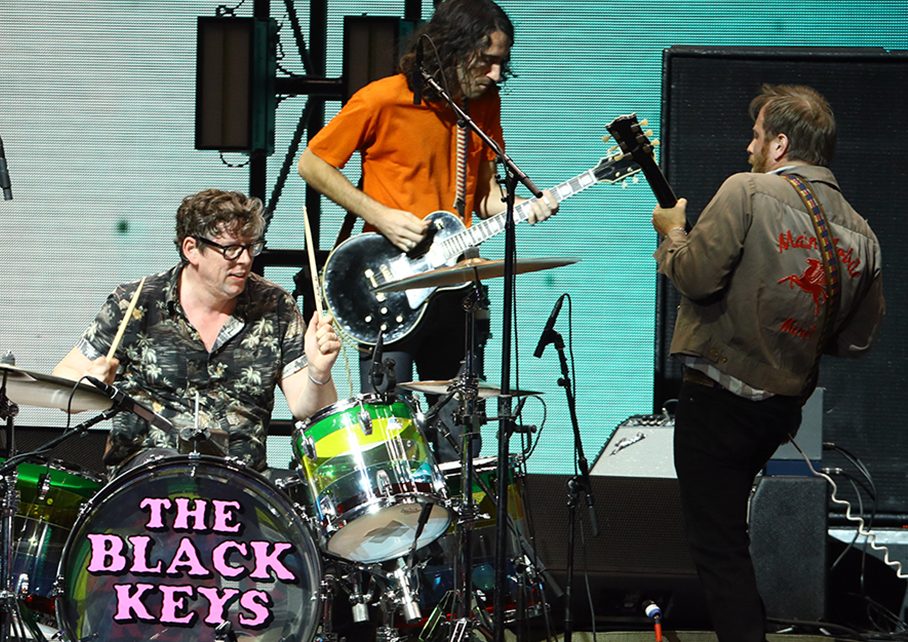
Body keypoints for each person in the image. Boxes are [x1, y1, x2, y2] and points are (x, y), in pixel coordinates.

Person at [651, 84, 885, 642]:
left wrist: (672, 233)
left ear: (780, 144)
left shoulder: (748, 190)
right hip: (779, 409)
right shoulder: (864, 236)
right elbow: (856, 341)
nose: (749, 146)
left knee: (719, 549)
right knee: (729, 542)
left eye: (756, 136)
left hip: (718, 398)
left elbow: (694, 277)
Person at [297, 0, 557, 460]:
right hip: (391, 289)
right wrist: (380, 215)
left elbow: (484, 197)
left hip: (457, 288)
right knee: (390, 438)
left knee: (460, 438)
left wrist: (521, 207)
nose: (497, 74)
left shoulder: (482, 105)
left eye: (503, 62)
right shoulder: (382, 99)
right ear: (452, 49)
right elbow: (313, 164)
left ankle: (457, 510)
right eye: (487, 61)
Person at [53, 188, 341, 474]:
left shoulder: (274, 305)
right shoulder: (136, 302)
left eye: (251, 247)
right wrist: (89, 386)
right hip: (144, 480)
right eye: (231, 249)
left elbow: (309, 410)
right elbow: (62, 380)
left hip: (239, 483)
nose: (245, 259)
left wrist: (319, 373)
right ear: (191, 249)